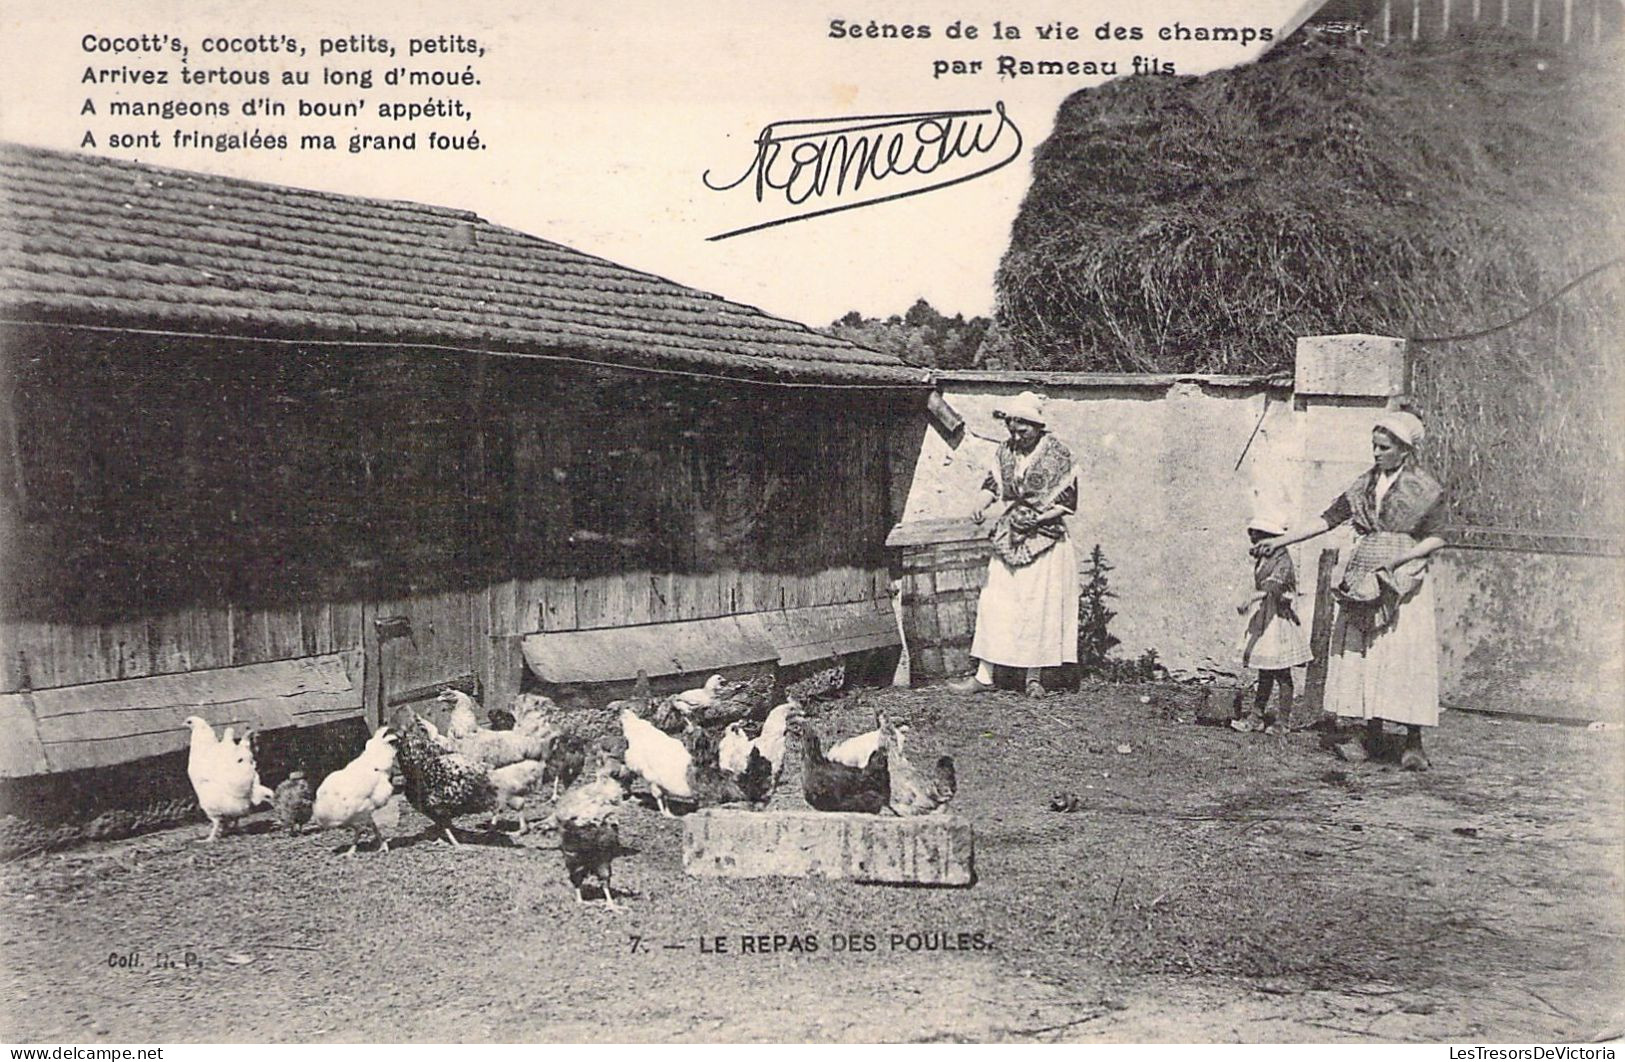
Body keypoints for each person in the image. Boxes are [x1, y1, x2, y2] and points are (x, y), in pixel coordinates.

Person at [1252, 410, 1449, 770]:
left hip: (1404, 577)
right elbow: (1327, 520)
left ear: (1404, 451)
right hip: (1364, 574)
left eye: (1384, 447)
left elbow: (1437, 537)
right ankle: (1370, 735)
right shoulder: (1363, 486)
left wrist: (1400, 559)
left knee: (1404, 655)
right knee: (1366, 654)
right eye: (1374, 446)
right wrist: (1281, 540)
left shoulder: (1424, 489)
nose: (1376, 453)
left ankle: (1413, 742)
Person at [948, 391, 1080, 699]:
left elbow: (1068, 502)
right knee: (996, 601)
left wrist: (1038, 519)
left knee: (1038, 605)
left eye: (1023, 430)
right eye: (1012, 429)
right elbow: (992, 484)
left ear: (1037, 427)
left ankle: (1034, 678)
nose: (1016, 436)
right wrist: (981, 503)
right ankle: (984, 675)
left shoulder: (1057, 456)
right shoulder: (1006, 452)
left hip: (1045, 537)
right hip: (1011, 533)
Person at [1230, 514, 1313, 735]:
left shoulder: (1282, 559)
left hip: (1278, 620)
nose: (1253, 539)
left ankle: (1283, 722)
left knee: (1281, 672)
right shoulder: (1264, 557)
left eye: (1256, 535)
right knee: (1265, 672)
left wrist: (1251, 599)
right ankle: (1256, 717)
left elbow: (1273, 587)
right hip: (1266, 615)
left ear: (1270, 537)